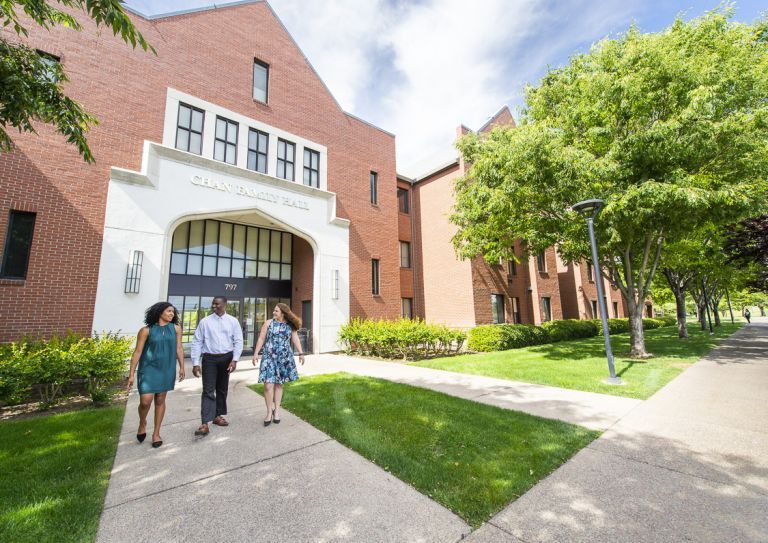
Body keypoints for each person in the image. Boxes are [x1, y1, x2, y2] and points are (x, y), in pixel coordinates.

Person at [127, 302, 185, 448]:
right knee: (145, 401)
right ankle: (142, 422)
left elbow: (179, 348)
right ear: (160, 312)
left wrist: (182, 367)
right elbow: (138, 352)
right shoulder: (146, 330)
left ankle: (156, 433)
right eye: (169, 311)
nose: (172, 314)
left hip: (166, 369)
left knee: (160, 399)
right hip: (148, 369)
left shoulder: (176, 329)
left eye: (173, 312)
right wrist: (131, 374)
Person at [191, 296, 243, 437]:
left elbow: (238, 341)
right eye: (213, 304)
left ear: (225, 305)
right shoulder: (205, 322)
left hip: (226, 358)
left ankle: (217, 416)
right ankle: (204, 423)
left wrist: (235, 360)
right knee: (208, 390)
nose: (214, 306)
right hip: (209, 359)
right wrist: (195, 363)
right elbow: (197, 342)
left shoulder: (233, 321)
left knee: (222, 389)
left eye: (217, 304)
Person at [252, 303, 305, 426]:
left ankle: (277, 411)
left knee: (278, 385)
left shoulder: (290, 325)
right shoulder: (268, 323)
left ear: (283, 313)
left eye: (276, 311)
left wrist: (301, 353)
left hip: (283, 358)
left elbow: (295, 339)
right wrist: (256, 353)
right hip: (269, 357)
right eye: (274, 310)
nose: (274, 313)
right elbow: (261, 338)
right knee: (267, 385)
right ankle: (269, 411)